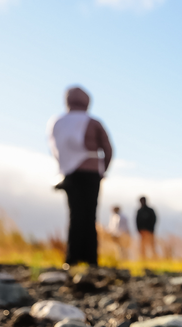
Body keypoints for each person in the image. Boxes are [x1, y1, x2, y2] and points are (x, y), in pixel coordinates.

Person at [47, 86, 113, 266]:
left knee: (75, 214)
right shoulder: (93, 123)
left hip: (70, 174)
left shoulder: (57, 122)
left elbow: (54, 148)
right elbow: (107, 148)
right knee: (90, 215)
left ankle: (72, 258)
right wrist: (103, 170)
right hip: (91, 172)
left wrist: (65, 167)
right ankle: (91, 259)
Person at [135, 196, 157, 261]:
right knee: (142, 246)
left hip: (150, 231)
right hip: (142, 232)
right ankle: (143, 259)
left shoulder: (150, 210)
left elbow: (154, 220)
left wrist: (150, 229)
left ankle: (154, 258)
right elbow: (137, 221)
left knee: (151, 245)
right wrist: (139, 230)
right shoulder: (139, 211)